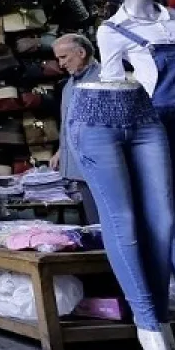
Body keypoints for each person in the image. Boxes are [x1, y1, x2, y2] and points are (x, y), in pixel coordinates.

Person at [53, 33, 101, 224]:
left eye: (64, 57)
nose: (61, 64)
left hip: (96, 163)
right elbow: (68, 122)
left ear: (81, 52)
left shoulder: (104, 79)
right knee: (91, 218)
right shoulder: (69, 85)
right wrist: (60, 150)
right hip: (78, 165)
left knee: (102, 218)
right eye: (58, 59)